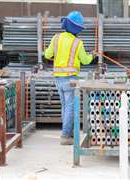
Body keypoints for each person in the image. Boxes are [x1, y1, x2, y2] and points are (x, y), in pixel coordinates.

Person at [45, 11, 97, 145]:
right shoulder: (77, 43)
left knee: (65, 106)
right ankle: (65, 136)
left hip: (58, 79)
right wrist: (93, 55)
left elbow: (47, 54)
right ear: (77, 28)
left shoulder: (55, 38)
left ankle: (67, 133)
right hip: (70, 80)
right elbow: (85, 61)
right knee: (69, 107)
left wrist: (58, 55)